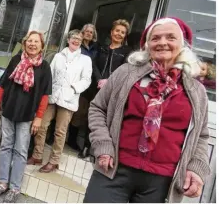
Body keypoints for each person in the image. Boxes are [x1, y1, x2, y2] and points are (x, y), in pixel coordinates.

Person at [84, 17, 210, 203]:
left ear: (182, 44)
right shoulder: (126, 73)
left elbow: (201, 135)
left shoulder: (195, 89)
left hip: (161, 182)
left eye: (170, 38)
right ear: (147, 44)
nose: (163, 43)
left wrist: (196, 167)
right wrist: (102, 144)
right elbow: (97, 108)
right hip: (114, 168)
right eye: (156, 38)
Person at [0, 31, 52, 203]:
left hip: (28, 114)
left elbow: (45, 95)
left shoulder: (44, 67)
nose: (32, 44)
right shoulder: (16, 60)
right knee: (5, 146)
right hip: (9, 110)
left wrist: (39, 117)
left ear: (41, 46)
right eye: (29, 41)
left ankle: (15, 188)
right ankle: (2, 183)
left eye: (36, 41)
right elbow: (3, 84)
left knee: (21, 151)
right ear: (24, 43)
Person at [27, 29, 92, 173]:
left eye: (79, 39)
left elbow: (87, 80)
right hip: (52, 95)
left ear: (81, 42)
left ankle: (54, 161)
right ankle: (37, 156)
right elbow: (50, 74)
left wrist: (74, 88)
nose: (76, 41)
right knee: (42, 126)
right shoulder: (58, 56)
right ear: (68, 40)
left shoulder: (85, 60)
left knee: (60, 131)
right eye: (73, 38)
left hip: (69, 99)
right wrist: (47, 90)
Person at [79, 19, 132, 159]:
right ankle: (85, 146)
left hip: (113, 90)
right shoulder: (101, 48)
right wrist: (99, 79)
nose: (119, 34)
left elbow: (124, 69)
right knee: (90, 117)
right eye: (117, 31)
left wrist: (109, 81)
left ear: (125, 35)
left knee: (105, 120)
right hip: (96, 88)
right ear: (111, 32)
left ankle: (98, 149)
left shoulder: (126, 51)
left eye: (122, 32)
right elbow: (94, 64)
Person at [67, 23, 99, 152]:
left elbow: (95, 67)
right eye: (86, 31)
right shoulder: (76, 45)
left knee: (80, 113)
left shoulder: (96, 49)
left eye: (91, 32)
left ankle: (71, 139)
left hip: (87, 87)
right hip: (72, 83)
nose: (88, 33)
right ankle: (56, 137)